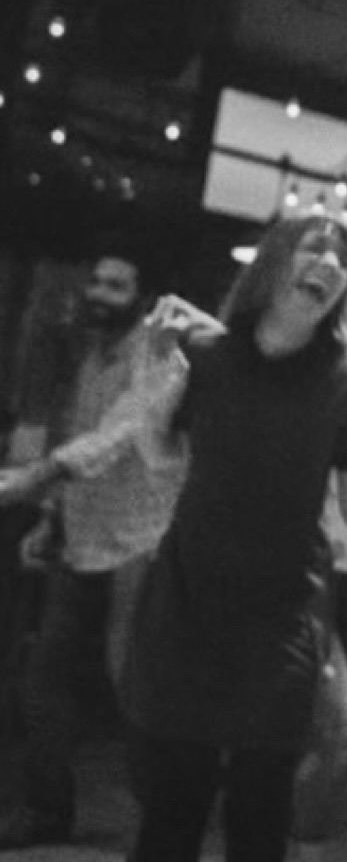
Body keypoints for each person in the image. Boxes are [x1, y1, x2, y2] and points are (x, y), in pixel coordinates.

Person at [115, 214, 347, 862]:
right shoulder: (207, 355)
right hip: (191, 597)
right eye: (315, 248)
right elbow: (160, 460)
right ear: (274, 261)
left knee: (260, 807)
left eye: (343, 261)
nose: (331, 265)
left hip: (282, 613)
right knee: (173, 805)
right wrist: (152, 378)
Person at [0, 245, 180, 850]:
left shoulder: (159, 356)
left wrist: (34, 477)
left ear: (142, 297)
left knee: (134, 690)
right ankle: (46, 811)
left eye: (115, 285)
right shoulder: (91, 355)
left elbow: (118, 437)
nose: (99, 294)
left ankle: (163, 824)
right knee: (42, 679)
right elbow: (82, 432)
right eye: (96, 282)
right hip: (81, 543)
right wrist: (50, 518)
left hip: (140, 546)